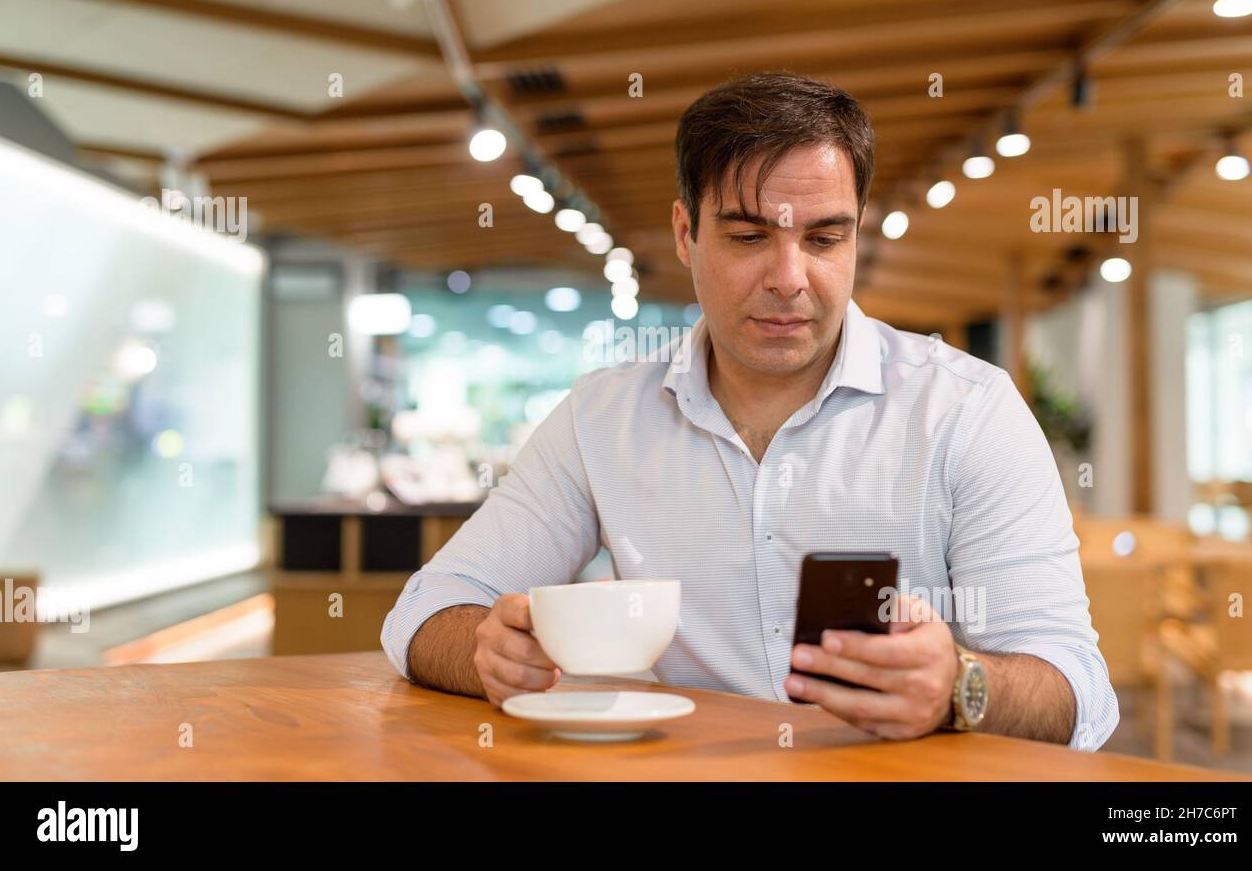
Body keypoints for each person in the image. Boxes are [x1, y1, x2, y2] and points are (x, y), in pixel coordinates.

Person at [382, 71, 1118, 749]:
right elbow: (425, 609)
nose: (789, 278)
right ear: (684, 233)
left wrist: (960, 685)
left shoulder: (966, 412)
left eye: (825, 238)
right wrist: (484, 647)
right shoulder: (603, 418)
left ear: (857, 235)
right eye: (747, 237)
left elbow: (1078, 692)